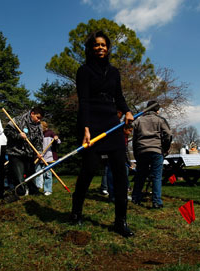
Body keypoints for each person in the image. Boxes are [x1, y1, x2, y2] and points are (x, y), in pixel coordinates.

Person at [71, 30, 135, 237]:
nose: (101, 48)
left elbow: (119, 96)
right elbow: (84, 101)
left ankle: (120, 221)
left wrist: (127, 111)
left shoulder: (114, 72)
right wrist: (86, 128)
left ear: (108, 48)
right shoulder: (84, 71)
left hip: (111, 123)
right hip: (92, 124)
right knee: (89, 170)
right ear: (91, 48)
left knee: (120, 173)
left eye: (104, 45)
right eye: (97, 45)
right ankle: (76, 212)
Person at [131, 100, 172, 209]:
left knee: (140, 176)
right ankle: (156, 202)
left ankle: (135, 198)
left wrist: (136, 152)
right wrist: (165, 148)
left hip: (141, 151)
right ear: (157, 110)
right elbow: (168, 134)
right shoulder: (160, 120)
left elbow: (134, 138)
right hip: (156, 150)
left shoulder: (139, 121)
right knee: (156, 177)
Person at [4, 106, 44, 198]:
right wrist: (18, 135)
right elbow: (6, 131)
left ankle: (33, 191)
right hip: (15, 152)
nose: (38, 120)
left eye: (40, 119)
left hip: (29, 153)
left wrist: (38, 151)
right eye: (38, 118)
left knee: (31, 172)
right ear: (32, 113)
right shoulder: (18, 120)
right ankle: (20, 192)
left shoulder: (39, 125)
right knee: (18, 175)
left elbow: (39, 140)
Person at [35, 121, 61, 196]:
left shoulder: (50, 133)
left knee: (47, 174)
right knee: (37, 173)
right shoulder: (37, 135)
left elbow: (58, 141)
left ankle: (48, 190)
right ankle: (38, 187)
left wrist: (56, 138)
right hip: (39, 157)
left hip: (49, 157)